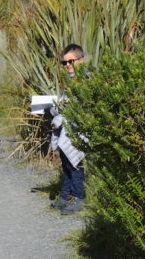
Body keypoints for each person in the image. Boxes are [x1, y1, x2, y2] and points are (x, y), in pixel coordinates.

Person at [49, 43, 87, 215]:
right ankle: (66, 195)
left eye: (71, 61)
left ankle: (79, 197)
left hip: (79, 131)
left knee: (75, 164)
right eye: (64, 63)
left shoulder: (86, 80)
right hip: (67, 129)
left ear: (82, 59)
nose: (68, 65)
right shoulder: (70, 83)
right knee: (66, 164)